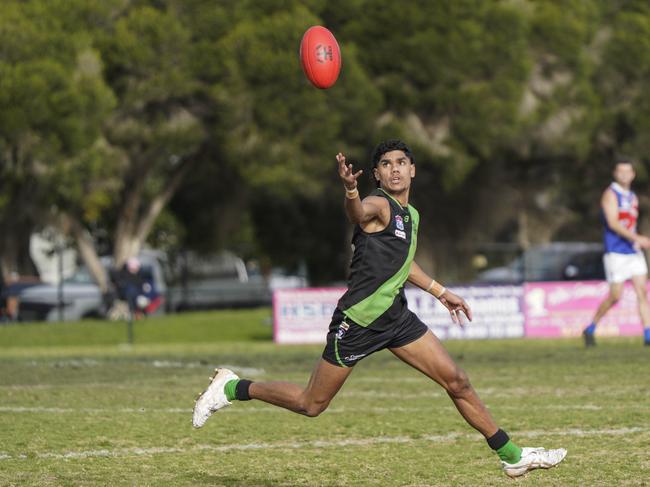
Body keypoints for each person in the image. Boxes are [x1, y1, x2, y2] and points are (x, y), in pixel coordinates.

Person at [192, 140, 567, 478]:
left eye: (401, 162)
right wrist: (351, 190)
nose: (395, 169)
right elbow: (357, 213)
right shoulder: (378, 206)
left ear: (413, 169)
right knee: (311, 404)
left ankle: (511, 454)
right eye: (386, 164)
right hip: (358, 321)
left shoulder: (411, 216)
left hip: (395, 317)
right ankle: (234, 386)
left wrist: (440, 291)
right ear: (377, 174)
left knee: (457, 380)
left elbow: (404, 264)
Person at [583, 159, 650, 347]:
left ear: (633, 174)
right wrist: (637, 238)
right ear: (615, 174)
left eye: (628, 172)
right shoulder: (610, 194)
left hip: (633, 251)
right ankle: (590, 327)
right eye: (621, 171)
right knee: (615, 296)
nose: (624, 175)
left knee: (642, 292)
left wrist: (635, 241)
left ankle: (647, 334)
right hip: (616, 252)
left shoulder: (632, 196)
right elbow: (613, 223)